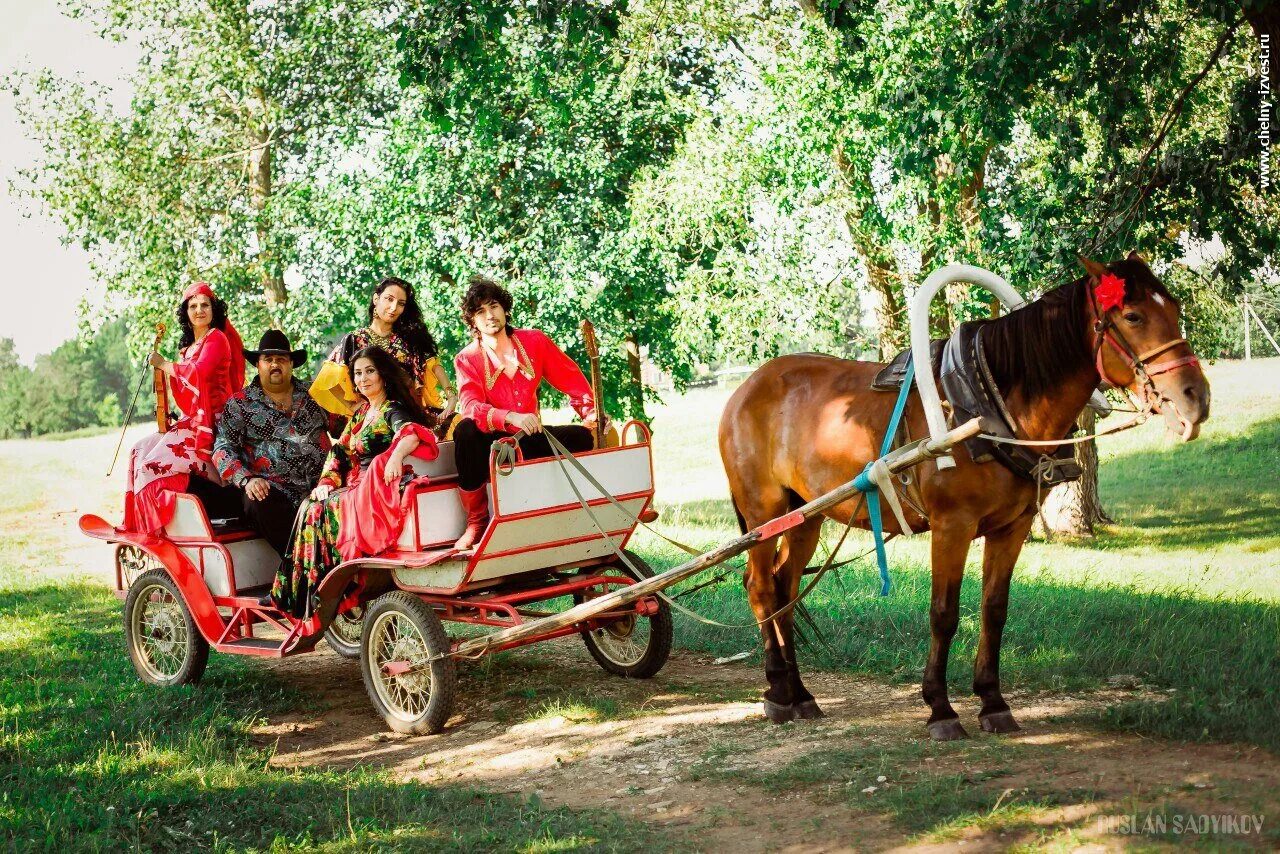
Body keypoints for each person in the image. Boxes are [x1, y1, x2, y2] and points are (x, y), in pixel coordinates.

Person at [270, 346, 439, 617]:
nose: (363, 379)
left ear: (383, 374)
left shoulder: (390, 409)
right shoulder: (362, 413)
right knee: (310, 505)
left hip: (374, 488)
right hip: (355, 484)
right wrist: (326, 481)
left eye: (369, 371)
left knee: (314, 510)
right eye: (358, 373)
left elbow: (410, 433)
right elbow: (341, 451)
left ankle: (322, 590)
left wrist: (395, 456)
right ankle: (300, 591)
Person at [450, 275, 600, 550]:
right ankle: (476, 521)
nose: (489, 315)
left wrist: (590, 411)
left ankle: (559, 510)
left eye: (493, 306)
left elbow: (571, 379)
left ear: (504, 309)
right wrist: (509, 416)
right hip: (490, 445)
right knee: (465, 430)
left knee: (582, 437)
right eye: (480, 311)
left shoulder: (535, 341)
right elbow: (470, 407)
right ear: (472, 321)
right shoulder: (466, 358)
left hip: (528, 438)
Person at [124, 282, 245, 534]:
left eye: (205, 305)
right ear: (186, 312)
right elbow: (186, 393)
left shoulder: (217, 339)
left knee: (152, 466)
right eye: (193, 306)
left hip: (214, 421)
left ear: (214, 310)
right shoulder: (187, 349)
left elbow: (198, 374)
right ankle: (140, 523)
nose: (199, 310)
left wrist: (164, 365)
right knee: (138, 451)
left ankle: (160, 527)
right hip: (193, 418)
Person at [211, 330, 333, 558]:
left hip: (324, 486)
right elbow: (222, 449)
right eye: (268, 359)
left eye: (281, 359)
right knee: (256, 499)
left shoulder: (315, 394)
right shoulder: (240, 404)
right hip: (276, 493)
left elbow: (345, 426)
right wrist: (246, 479)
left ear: (291, 364)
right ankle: (301, 566)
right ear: (257, 364)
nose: (275, 364)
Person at [310, 276, 459, 435]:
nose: (394, 307)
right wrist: (353, 406)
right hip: (374, 417)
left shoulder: (409, 339)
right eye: (389, 299)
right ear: (376, 299)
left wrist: (452, 398)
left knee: (459, 425)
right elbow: (328, 382)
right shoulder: (355, 339)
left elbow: (434, 365)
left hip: (412, 413)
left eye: (401, 303)